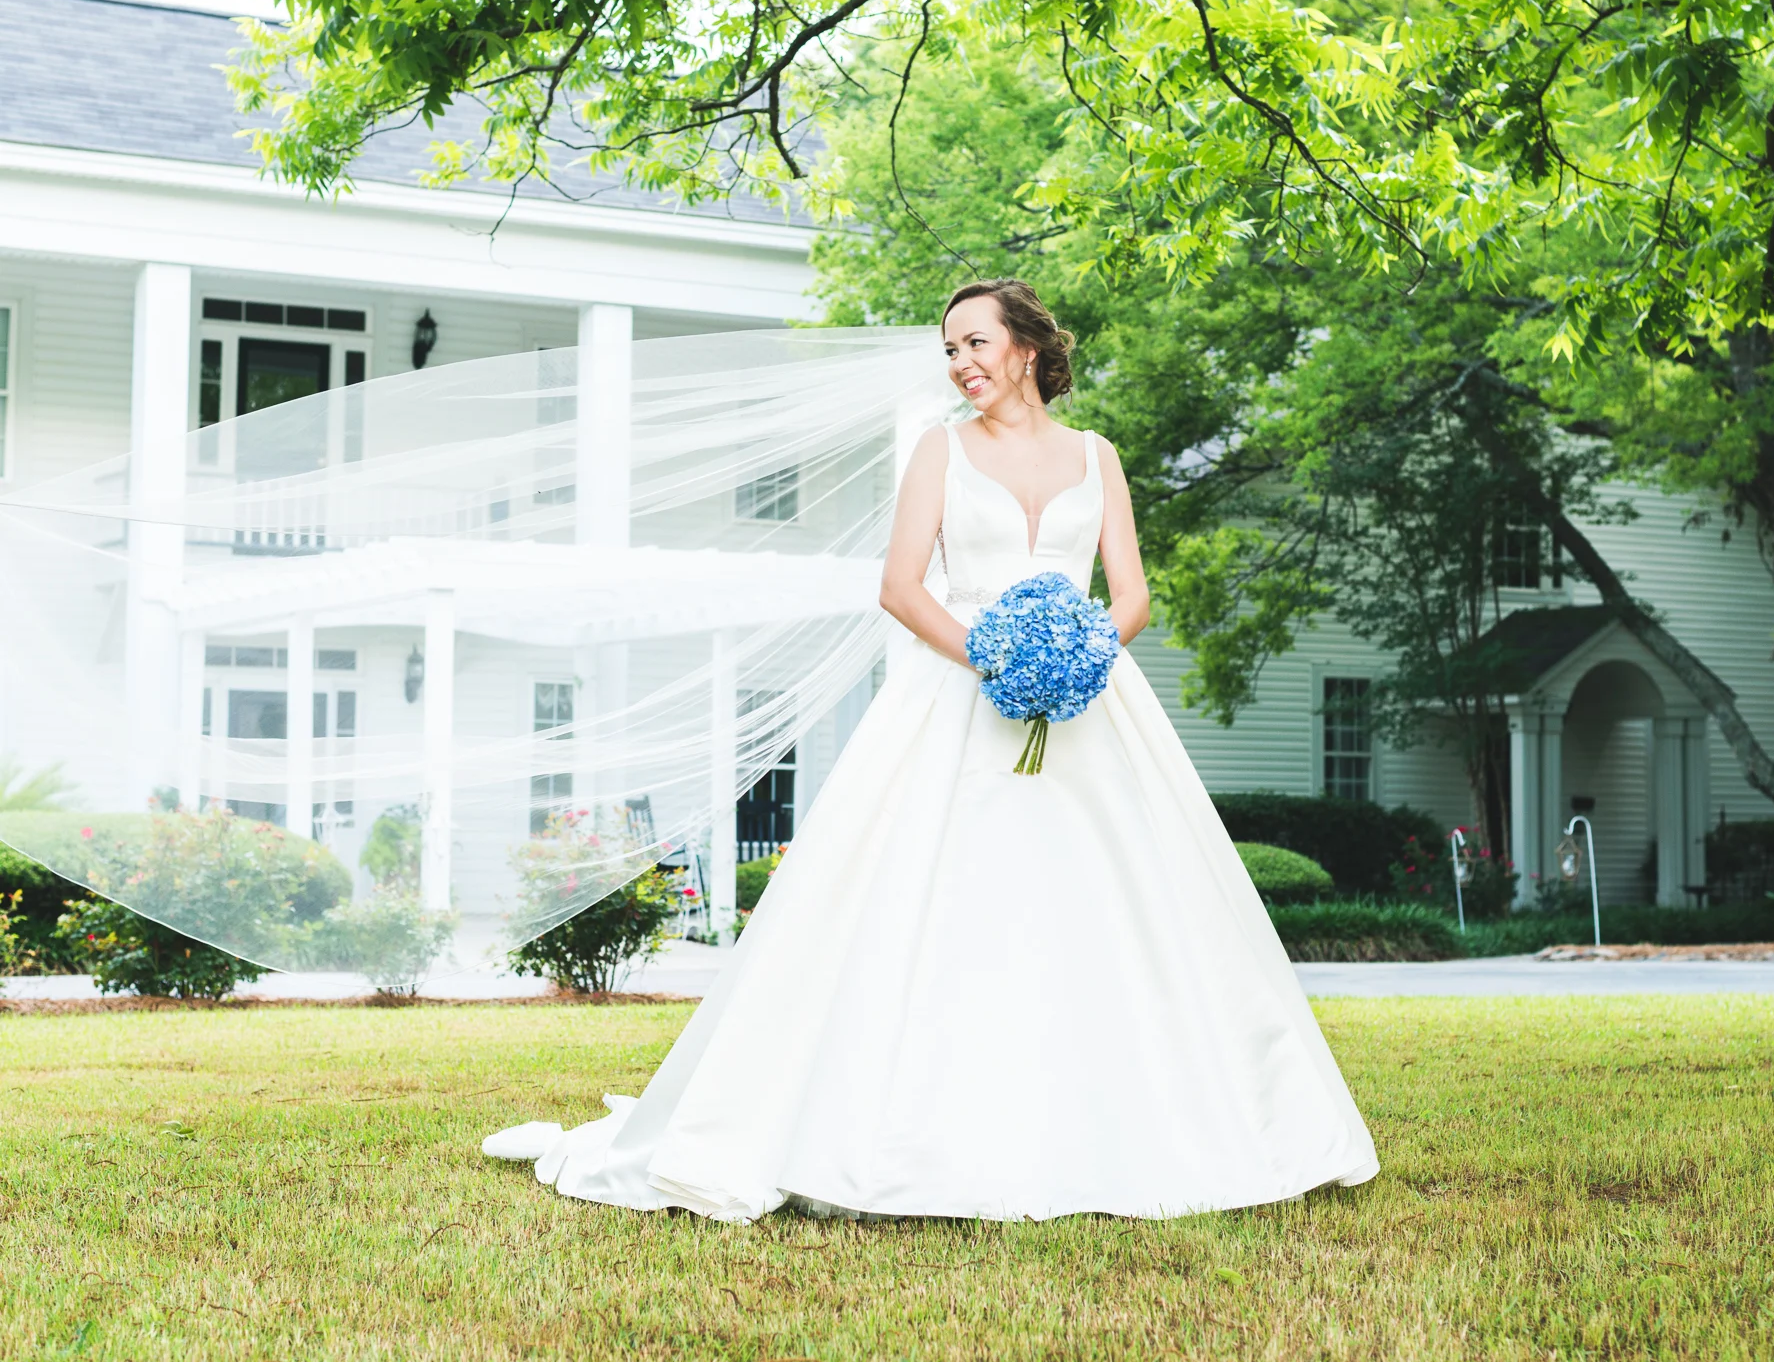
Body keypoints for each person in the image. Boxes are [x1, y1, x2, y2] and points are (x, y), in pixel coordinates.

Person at [483, 279, 1379, 1221]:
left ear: (1028, 348)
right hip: (956, 699)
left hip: (1090, 703)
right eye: (950, 350)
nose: (961, 364)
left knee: (1118, 910)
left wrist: (1081, 653)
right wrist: (993, 657)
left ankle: (1142, 1132)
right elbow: (902, 588)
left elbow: (1132, 594)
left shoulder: (1098, 456)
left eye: (977, 343)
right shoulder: (940, 451)